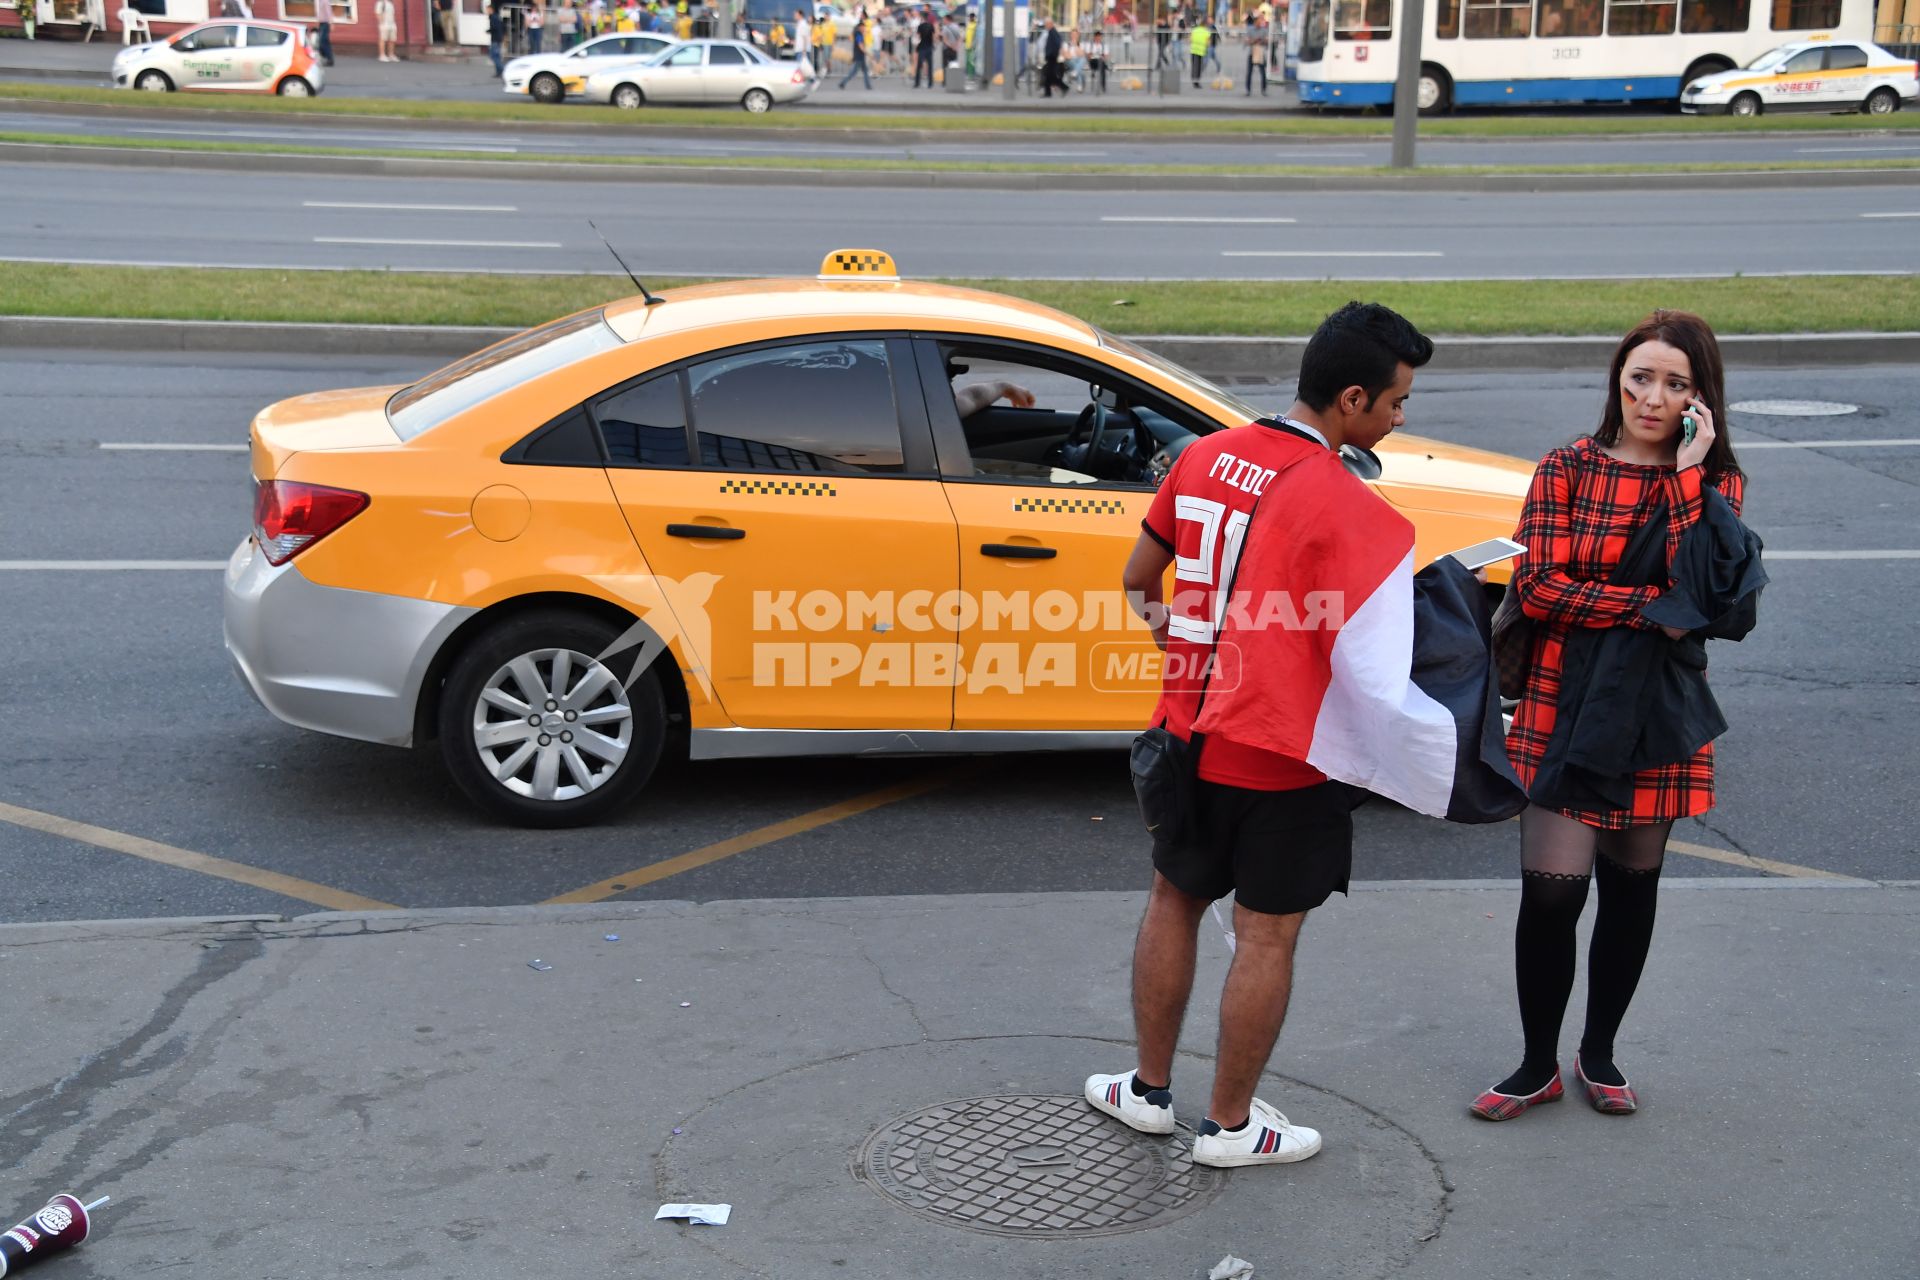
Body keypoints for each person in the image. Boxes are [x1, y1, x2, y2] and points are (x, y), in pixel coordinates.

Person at [1087, 302, 1435, 1170]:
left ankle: (1149, 1091)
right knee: (1267, 936)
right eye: (1396, 402)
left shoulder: (1202, 456)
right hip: (1281, 754)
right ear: (1351, 400)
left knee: (1174, 899)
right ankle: (1233, 1128)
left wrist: (1181, 635)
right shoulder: (1343, 501)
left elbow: (1137, 579)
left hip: (1186, 732)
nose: (1400, 417)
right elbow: (1374, 655)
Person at [1470, 311, 1750, 1123]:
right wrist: (1645, 606)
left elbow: (1703, 597)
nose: (1652, 398)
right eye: (1640, 378)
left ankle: (1599, 1054)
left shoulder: (1715, 483)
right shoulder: (1566, 467)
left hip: (1653, 712)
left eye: (1675, 385)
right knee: (1551, 894)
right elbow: (1540, 587)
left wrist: (1689, 477)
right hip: (1564, 698)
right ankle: (1534, 1064)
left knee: (1632, 891)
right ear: (1616, 381)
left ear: (1701, 400)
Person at [839, 7, 872, 86]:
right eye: (863, 27)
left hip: (860, 56)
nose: (864, 29)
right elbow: (860, 45)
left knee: (865, 71)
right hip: (859, 56)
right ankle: (843, 83)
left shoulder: (858, 33)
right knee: (853, 72)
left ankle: (868, 85)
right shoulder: (858, 34)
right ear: (860, 27)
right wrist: (866, 52)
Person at [1244, 14, 1268, 94]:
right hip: (1252, 53)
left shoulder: (1264, 30)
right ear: (1254, 22)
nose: (1258, 23)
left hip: (1260, 53)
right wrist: (1254, 40)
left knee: (1263, 72)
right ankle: (1248, 90)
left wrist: (1262, 41)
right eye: (1257, 22)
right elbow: (1247, 41)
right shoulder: (1250, 30)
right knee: (1249, 72)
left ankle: (1264, 89)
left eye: (1260, 22)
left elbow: (1267, 41)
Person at [912, 7, 935, 86]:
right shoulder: (931, 26)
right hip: (929, 46)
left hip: (922, 47)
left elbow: (918, 37)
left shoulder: (920, 26)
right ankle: (930, 83)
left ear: (922, 17)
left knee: (919, 65)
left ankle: (917, 83)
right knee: (930, 65)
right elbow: (933, 36)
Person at [311, 0, 335, 66]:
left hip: (326, 23)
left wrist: (331, 23)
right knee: (324, 41)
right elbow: (318, 13)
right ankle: (329, 59)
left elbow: (329, 13)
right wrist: (317, 22)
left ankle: (329, 58)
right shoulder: (317, 1)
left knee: (323, 41)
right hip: (321, 23)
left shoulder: (325, 1)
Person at [487, 0, 507, 75]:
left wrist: (489, 30)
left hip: (495, 39)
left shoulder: (493, 17)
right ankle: (498, 72)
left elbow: (495, 28)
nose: (487, 11)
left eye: (488, 10)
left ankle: (502, 69)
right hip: (497, 38)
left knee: (493, 56)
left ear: (491, 9)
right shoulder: (496, 17)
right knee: (496, 55)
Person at [1188, 14, 1208, 86]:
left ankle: (1193, 78)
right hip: (1201, 51)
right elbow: (1208, 42)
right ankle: (1197, 80)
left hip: (1193, 50)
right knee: (1199, 66)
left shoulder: (1195, 30)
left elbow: (1189, 39)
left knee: (1194, 65)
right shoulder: (1206, 31)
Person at [1086, 26, 1108, 92]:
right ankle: (1104, 67)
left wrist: (1102, 57)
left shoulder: (1104, 45)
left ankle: (1103, 86)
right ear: (1094, 37)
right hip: (1093, 62)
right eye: (1097, 36)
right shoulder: (1090, 45)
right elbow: (1088, 56)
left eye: (1099, 36)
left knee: (1102, 67)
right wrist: (1095, 55)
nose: (1098, 38)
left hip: (1101, 61)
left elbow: (1106, 56)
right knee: (1100, 63)